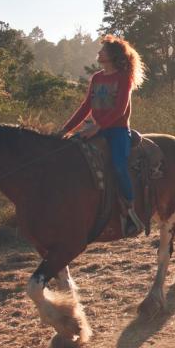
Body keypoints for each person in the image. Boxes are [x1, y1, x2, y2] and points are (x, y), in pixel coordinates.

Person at [61, 35, 148, 237]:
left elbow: (119, 110)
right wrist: (66, 129)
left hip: (116, 131)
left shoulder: (123, 78)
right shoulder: (97, 78)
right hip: (95, 128)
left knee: (118, 165)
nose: (99, 53)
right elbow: (86, 107)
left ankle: (130, 211)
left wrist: (97, 127)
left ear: (113, 55)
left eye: (103, 51)